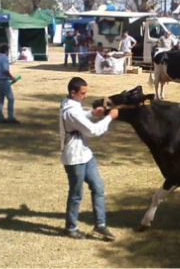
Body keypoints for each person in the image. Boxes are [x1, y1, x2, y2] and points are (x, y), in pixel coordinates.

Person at [60, 77, 119, 241]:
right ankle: (71, 227)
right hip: (74, 157)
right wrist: (109, 117)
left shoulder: (72, 104)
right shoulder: (70, 110)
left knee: (98, 187)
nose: (85, 96)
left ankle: (100, 225)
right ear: (73, 93)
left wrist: (92, 113)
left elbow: (80, 117)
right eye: (82, 93)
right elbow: (92, 131)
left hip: (85, 154)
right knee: (76, 194)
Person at [0, 45, 20, 124]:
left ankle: (0, 118)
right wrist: (12, 78)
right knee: (11, 99)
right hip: (4, 81)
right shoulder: (4, 59)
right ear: (6, 50)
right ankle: (10, 117)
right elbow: (5, 70)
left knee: (0, 101)